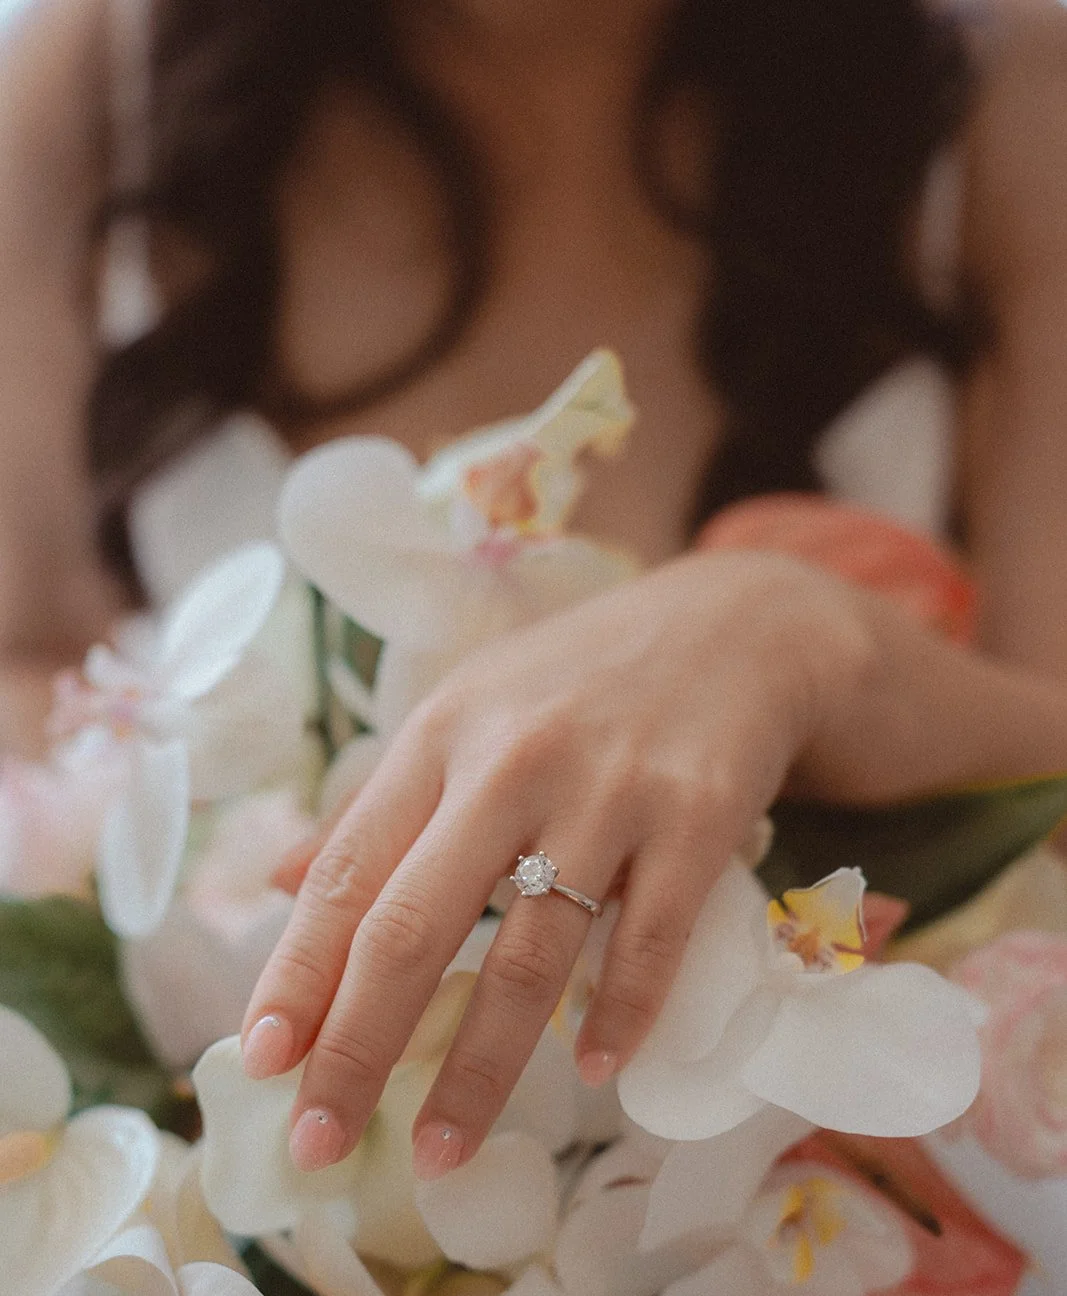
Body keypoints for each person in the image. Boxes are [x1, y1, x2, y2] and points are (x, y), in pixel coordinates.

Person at [1, 0, 1067, 1187]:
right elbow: (25, 662)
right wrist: (220, 923)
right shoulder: (94, 77)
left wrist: (799, 634)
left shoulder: (1009, 96)